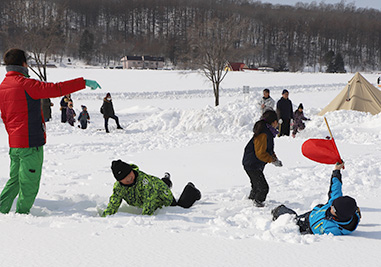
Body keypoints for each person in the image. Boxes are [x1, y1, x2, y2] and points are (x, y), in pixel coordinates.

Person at [0, 48, 101, 214]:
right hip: (30, 143)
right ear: (24, 64)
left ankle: (2, 211)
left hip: (15, 144)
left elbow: (5, 117)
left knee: (15, 180)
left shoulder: (3, 86)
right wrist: (83, 82)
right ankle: (22, 216)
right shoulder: (26, 84)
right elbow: (56, 89)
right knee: (29, 183)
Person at [272, 163, 361, 235]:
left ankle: (277, 213)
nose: (330, 207)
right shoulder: (337, 206)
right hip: (313, 214)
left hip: (309, 228)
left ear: (340, 216)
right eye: (332, 205)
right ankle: (276, 211)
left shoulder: (334, 230)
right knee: (290, 216)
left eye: (333, 208)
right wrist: (336, 171)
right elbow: (335, 188)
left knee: (291, 219)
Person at [101, 160, 201, 217]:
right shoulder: (118, 188)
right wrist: (105, 216)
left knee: (180, 206)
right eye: (126, 180)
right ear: (119, 181)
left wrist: (144, 219)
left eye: (130, 176)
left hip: (162, 197)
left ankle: (190, 189)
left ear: (132, 170)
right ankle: (166, 180)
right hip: (156, 185)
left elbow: (149, 203)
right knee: (159, 184)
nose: (129, 179)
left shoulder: (144, 182)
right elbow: (113, 204)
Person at [242, 110, 283, 207]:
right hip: (252, 164)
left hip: (254, 163)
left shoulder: (267, 132)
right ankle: (258, 204)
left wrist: (274, 158)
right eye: (277, 122)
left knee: (256, 186)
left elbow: (268, 149)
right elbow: (260, 153)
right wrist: (272, 160)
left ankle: (250, 202)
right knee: (263, 188)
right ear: (274, 122)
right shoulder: (263, 133)